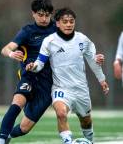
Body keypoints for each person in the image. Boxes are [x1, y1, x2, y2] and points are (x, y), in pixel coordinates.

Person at [26, 7, 109, 144]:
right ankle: (68, 142)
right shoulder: (49, 41)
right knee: (61, 113)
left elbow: (93, 61)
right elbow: (39, 63)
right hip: (61, 88)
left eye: (71, 21)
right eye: (65, 22)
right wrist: (33, 67)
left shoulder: (83, 40)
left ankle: (89, 141)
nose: (69, 24)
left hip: (81, 89)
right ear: (58, 23)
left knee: (86, 120)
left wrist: (102, 79)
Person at [0, 0, 55, 144]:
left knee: (24, 128)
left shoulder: (57, 29)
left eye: (47, 15)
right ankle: (0, 141)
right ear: (33, 14)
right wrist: (11, 53)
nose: (44, 18)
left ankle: (9, 135)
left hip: (49, 83)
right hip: (29, 76)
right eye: (40, 14)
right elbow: (6, 48)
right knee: (17, 104)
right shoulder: (27, 31)